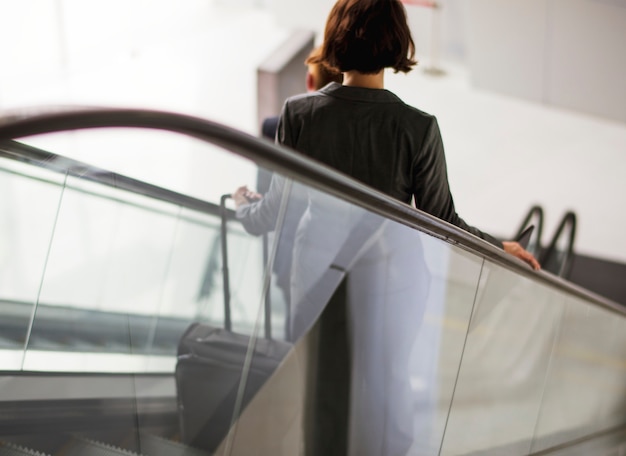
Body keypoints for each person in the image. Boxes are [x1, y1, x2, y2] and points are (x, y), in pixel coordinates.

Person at [234, 0, 540, 453]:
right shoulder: (418, 128)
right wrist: (499, 248)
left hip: (316, 275)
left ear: (337, 36)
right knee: (390, 388)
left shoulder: (299, 115)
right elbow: (443, 221)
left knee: (322, 391)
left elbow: (276, 213)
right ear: (396, 41)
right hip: (393, 281)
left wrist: (243, 204)